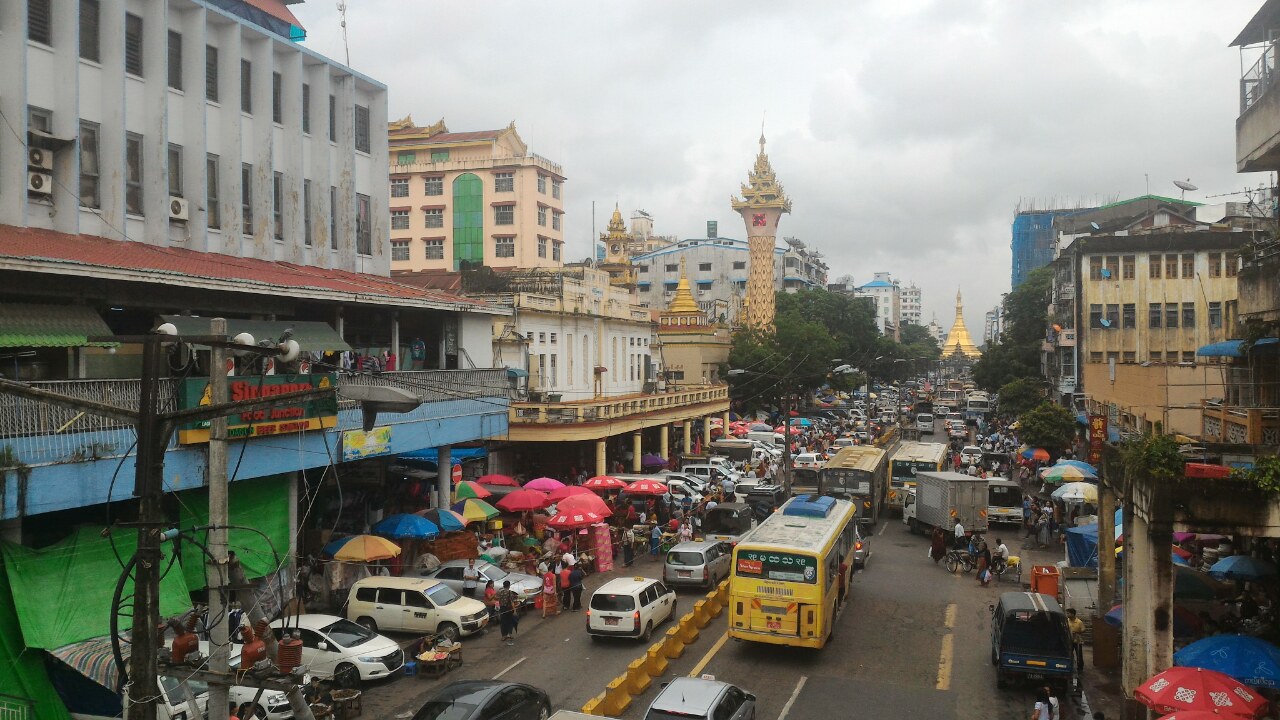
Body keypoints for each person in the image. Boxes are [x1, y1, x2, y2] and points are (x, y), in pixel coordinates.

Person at [496, 580, 518, 645]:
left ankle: (504, 636)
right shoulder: (509, 592)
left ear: (503, 586)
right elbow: (512, 602)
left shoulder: (500, 592)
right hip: (509, 608)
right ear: (509, 586)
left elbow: (497, 598)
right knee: (510, 621)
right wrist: (514, 610)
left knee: (503, 622)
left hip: (502, 608)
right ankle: (509, 634)